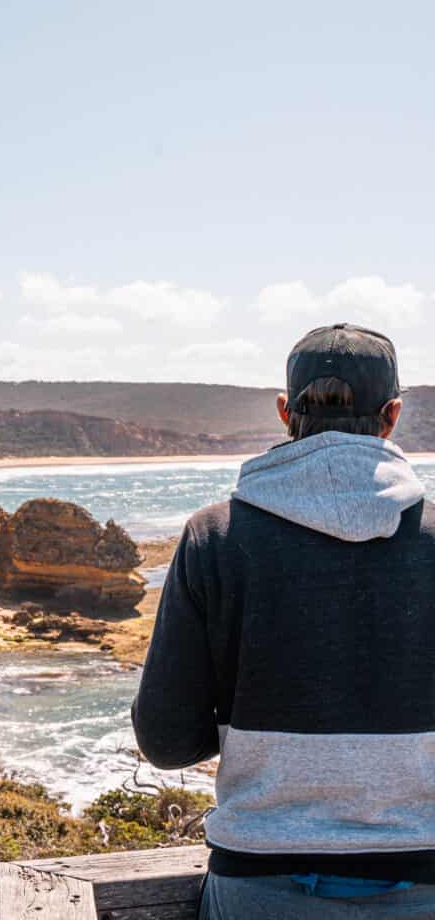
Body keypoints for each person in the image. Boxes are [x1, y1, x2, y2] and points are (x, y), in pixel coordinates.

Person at [132, 323, 435, 918]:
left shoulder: (214, 537)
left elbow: (165, 742)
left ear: (283, 411)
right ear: (393, 415)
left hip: (259, 880)